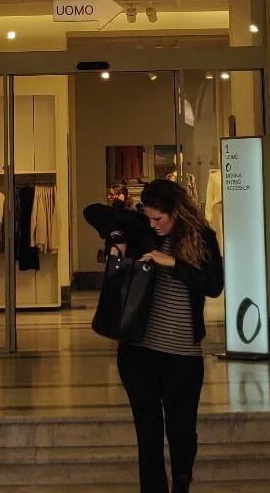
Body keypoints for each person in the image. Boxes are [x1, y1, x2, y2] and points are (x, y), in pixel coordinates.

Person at [84, 178, 224, 493]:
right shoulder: (142, 228)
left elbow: (213, 285)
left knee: (182, 433)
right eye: (148, 217)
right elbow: (92, 212)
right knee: (148, 435)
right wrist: (118, 238)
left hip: (183, 357)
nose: (153, 224)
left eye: (159, 218)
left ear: (176, 212)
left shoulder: (201, 238)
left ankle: (182, 484)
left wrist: (172, 262)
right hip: (138, 353)